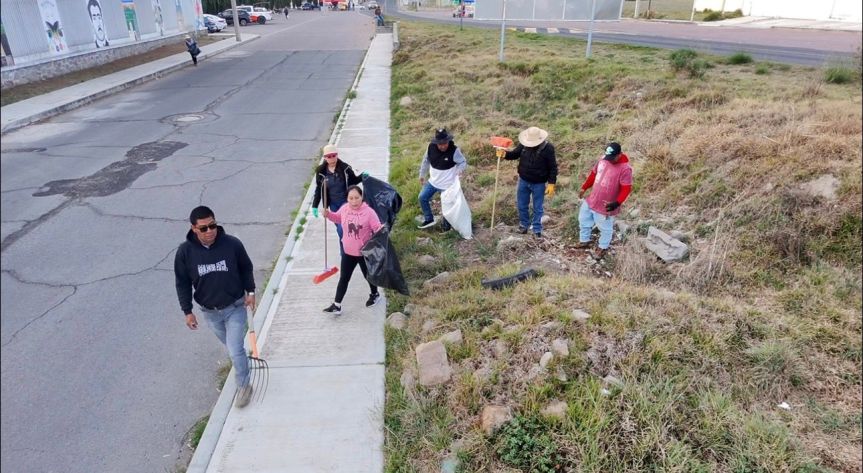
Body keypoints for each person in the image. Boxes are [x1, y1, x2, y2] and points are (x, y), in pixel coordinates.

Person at [174, 206, 257, 408]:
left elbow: (246, 267)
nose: (210, 231)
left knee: (235, 349)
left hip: (235, 306)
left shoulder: (232, 245)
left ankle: (244, 386)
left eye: (213, 225)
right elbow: (182, 282)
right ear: (194, 228)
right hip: (210, 313)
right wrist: (187, 311)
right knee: (232, 348)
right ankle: (243, 364)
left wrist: (251, 292)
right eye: (204, 228)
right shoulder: (185, 253)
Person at [323, 186, 383, 315]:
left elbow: (377, 228)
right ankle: (337, 305)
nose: (354, 201)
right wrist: (328, 215)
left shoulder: (369, 212)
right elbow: (337, 218)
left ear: (362, 197)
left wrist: (382, 229)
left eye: (357, 198)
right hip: (347, 252)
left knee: (368, 276)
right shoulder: (345, 208)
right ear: (347, 198)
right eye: (351, 198)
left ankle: (375, 294)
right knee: (344, 278)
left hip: (363, 252)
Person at [576, 142, 633, 259]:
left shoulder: (625, 169)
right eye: (608, 157)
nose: (609, 160)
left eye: (612, 158)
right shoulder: (603, 159)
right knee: (583, 219)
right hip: (592, 199)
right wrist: (584, 187)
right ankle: (584, 241)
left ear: (620, 154)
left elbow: (626, 189)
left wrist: (617, 203)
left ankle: (602, 247)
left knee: (605, 228)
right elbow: (593, 174)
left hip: (606, 205)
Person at [504, 126, 558, 238]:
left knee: (537, 207)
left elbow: (553, 167)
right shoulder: (524, 144)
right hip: (523, 180)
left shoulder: (548, 148)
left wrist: (551, 183)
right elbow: (514, 154)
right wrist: (504, 154)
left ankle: (537, 229)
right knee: (522, 205)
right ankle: (524, 225)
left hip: (539, 183)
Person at [311, 144, 366, 254]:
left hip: (347, 204)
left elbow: (354, 181)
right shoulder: (321, 171)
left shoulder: (345, 168)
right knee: (342, 230)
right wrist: (315, 205)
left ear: (337, 155)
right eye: (328, 156)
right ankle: (347, 253)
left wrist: (363, 176)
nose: (331, 158)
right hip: (334, 206)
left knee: (343, 229)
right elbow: (319, 188)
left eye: (333, 155)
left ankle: (347, 253)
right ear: (325, 158)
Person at [417, 128, 467, 230]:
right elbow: (425, 161)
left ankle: (446, 226)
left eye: (445, 143)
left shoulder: (454, 150)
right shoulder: (430, 147)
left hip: (448, 185)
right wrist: (422, 175)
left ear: (448, 141)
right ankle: (429, 219)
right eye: (440, 144)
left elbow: (462, 162)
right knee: (422, 197)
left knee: (446, 205)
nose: (443, 146)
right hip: (433, 182)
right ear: (436, 143)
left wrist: (460, 170)